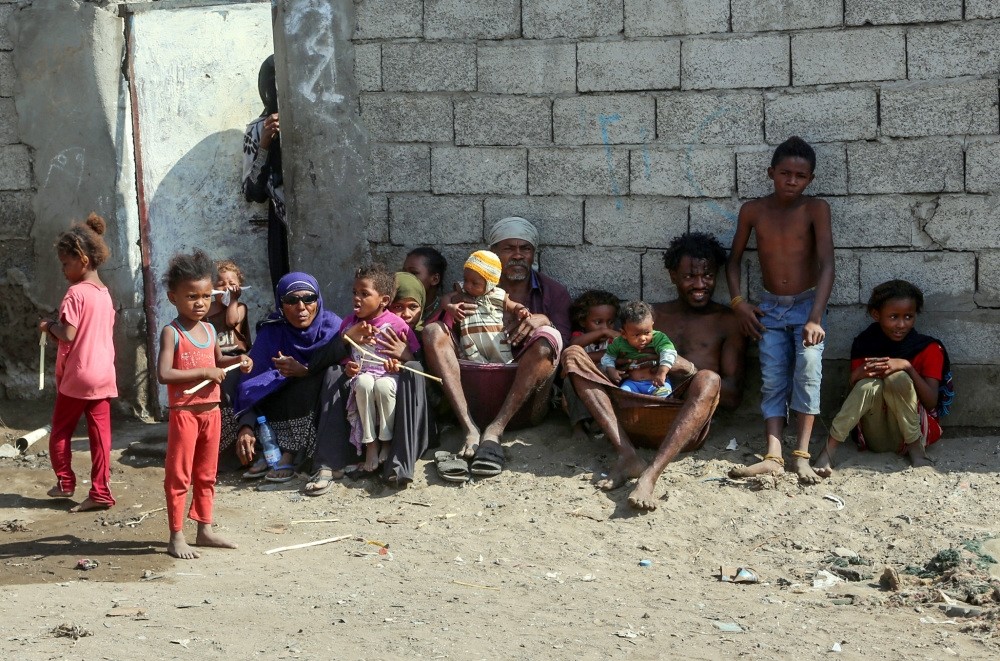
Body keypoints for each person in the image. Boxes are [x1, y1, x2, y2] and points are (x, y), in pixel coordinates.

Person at [562, 232, 746, 510]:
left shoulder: (727, 321)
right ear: (672, 276)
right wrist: (621, 366)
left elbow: (731, 397)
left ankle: (651, 473)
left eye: (707, 276)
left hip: (681, 425)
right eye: (689, 277)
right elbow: (611, 356)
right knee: (573, 354)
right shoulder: (650, 316)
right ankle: (627, 454)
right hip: (631, 413)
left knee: (709, 377)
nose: (700, 285)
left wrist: (687, 369)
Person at [423, 216, 571, 477]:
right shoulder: (468, 288)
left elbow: (565, 347)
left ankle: (495, 430)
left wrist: (543, 320)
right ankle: (469, 428)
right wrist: (452, 314)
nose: (517, 255)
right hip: (472, 398)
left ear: (533, 254)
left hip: (525, 410)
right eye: (508, 248)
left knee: (548, 335)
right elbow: (433, 335)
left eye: (524, 248)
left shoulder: (553, 293)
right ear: (491, 253)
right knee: (434, 331)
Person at [726, 136, 834, 485]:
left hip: (806, 307)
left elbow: (828, 264)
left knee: (809, 371)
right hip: (768, 308)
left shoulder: (815, 208)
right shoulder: (754, 210)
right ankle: (773, 454)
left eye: (800, 176)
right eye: (785, 173)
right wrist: (739, 304)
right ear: (771, 172)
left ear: (810, 179)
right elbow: (733, 261)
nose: (791, 181)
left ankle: (800, 456)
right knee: (772, 378)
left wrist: (815, 317)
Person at [156, 250, 252, 559]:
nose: (200, 303)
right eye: (191, 296)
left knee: (207, 473)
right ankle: (176, 535)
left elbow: (218, 360)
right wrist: (205, 372)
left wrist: (239, 359)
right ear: (173, 297)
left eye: (205, 296)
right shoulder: (172, 332)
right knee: (179, 475)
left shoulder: (210, 329)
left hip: (211, 411)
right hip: (184, 412)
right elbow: (164, 373)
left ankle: (204, 529)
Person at [813, 280, 954, 476]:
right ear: (876, 315)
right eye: (893, 317)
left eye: (908, 317)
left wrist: (907, 368)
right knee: (867, 386)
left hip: (915, 432)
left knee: (898, 378)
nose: (901, 324)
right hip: (875, 436)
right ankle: (828, 452)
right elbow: (854, 397)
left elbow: (931, 402)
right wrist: (857, 375)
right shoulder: (865, 344)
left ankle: (916, 451)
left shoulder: (929, 348)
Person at [39, 213, 119, 513]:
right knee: (101, 437)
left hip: (77, 376)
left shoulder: (75, 293)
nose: (63, 271)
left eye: (66, 264)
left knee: (61, 430)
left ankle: (65, 482)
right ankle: (100, 492)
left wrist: (49, 327)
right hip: (103, 375)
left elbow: (69, 334)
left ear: (82, 260)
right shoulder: (105, 294)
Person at [232, 272, 342, 481]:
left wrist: (304, 370)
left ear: (318, 301)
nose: (301, 307)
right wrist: (246, 424)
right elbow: (251, 381)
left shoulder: (333, 327)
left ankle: (297, 455)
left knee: (331, 374)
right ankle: (270, 450)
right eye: (291, 300)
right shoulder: (273, 331)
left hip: (316, 406)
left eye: (309, 299)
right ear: (281, 304)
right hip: (280, 409)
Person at [340, 263, 419, 473]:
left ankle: (386, 442)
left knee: (384, 386)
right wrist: (349, 367)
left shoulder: (397, 325)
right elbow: (342, 356)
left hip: (389, 377)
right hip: (363, 376)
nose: (357, 298)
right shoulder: (349, 324)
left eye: (364, 293)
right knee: (364, 382)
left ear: (384, 300)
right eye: (355, 292)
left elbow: (414, 359)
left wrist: (400, 364)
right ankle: (370, 444)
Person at [242, 54, 287, 290]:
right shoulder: (259, 129)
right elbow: (253, 192)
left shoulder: (319, 120)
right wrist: (266, 144)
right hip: (281, 224)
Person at [442, 250, 530, 363]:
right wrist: (450, 307)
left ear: (490, 284)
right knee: (472, 364)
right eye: (465, 280)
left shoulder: (498, 295)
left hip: (495, 343)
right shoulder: (462, 291)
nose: (468, 286)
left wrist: (522, 310)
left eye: (475, 283)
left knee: (500, 365)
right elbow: (445, 298)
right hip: (470, 343)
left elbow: (514, 306)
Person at [564, 290, 620, 441]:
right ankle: (578, 426)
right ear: (583, 321)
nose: (605, 327)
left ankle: (598, 421)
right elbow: (573, 348)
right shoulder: (579, 336)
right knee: (569, 381)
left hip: (603, 380)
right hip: (580, 382)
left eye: (610, 322)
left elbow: (616, 357)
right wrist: (602, 333)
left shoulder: (612, 340)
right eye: (598, 322)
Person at [601, 301, 677, 397]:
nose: (643, 339)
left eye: (647, 332)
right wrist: (611, 370)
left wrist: (662, 373)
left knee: (664, 398)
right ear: (624, 334)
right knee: (622, 396)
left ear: (652, 325)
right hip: (633, 384)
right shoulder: (619, 342)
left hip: (656, 383)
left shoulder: (658, 338)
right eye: (636, 335)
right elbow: (608, 357)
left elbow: (669, 353)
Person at [207, 259, 252, 356]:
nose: (227, 288)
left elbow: (231, 322)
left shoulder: (240, 308)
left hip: (236, 357)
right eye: (221, 284)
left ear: (239, 287)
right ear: (212, 288)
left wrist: (233, 300)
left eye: (232, 284)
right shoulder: (207, 309)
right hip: (213, 358)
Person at [402, 247, 447, 325]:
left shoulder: (446, 313)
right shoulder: (393, 307)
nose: (406, 277)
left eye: (413, 273)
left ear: (435, 279)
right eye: (404, 272)